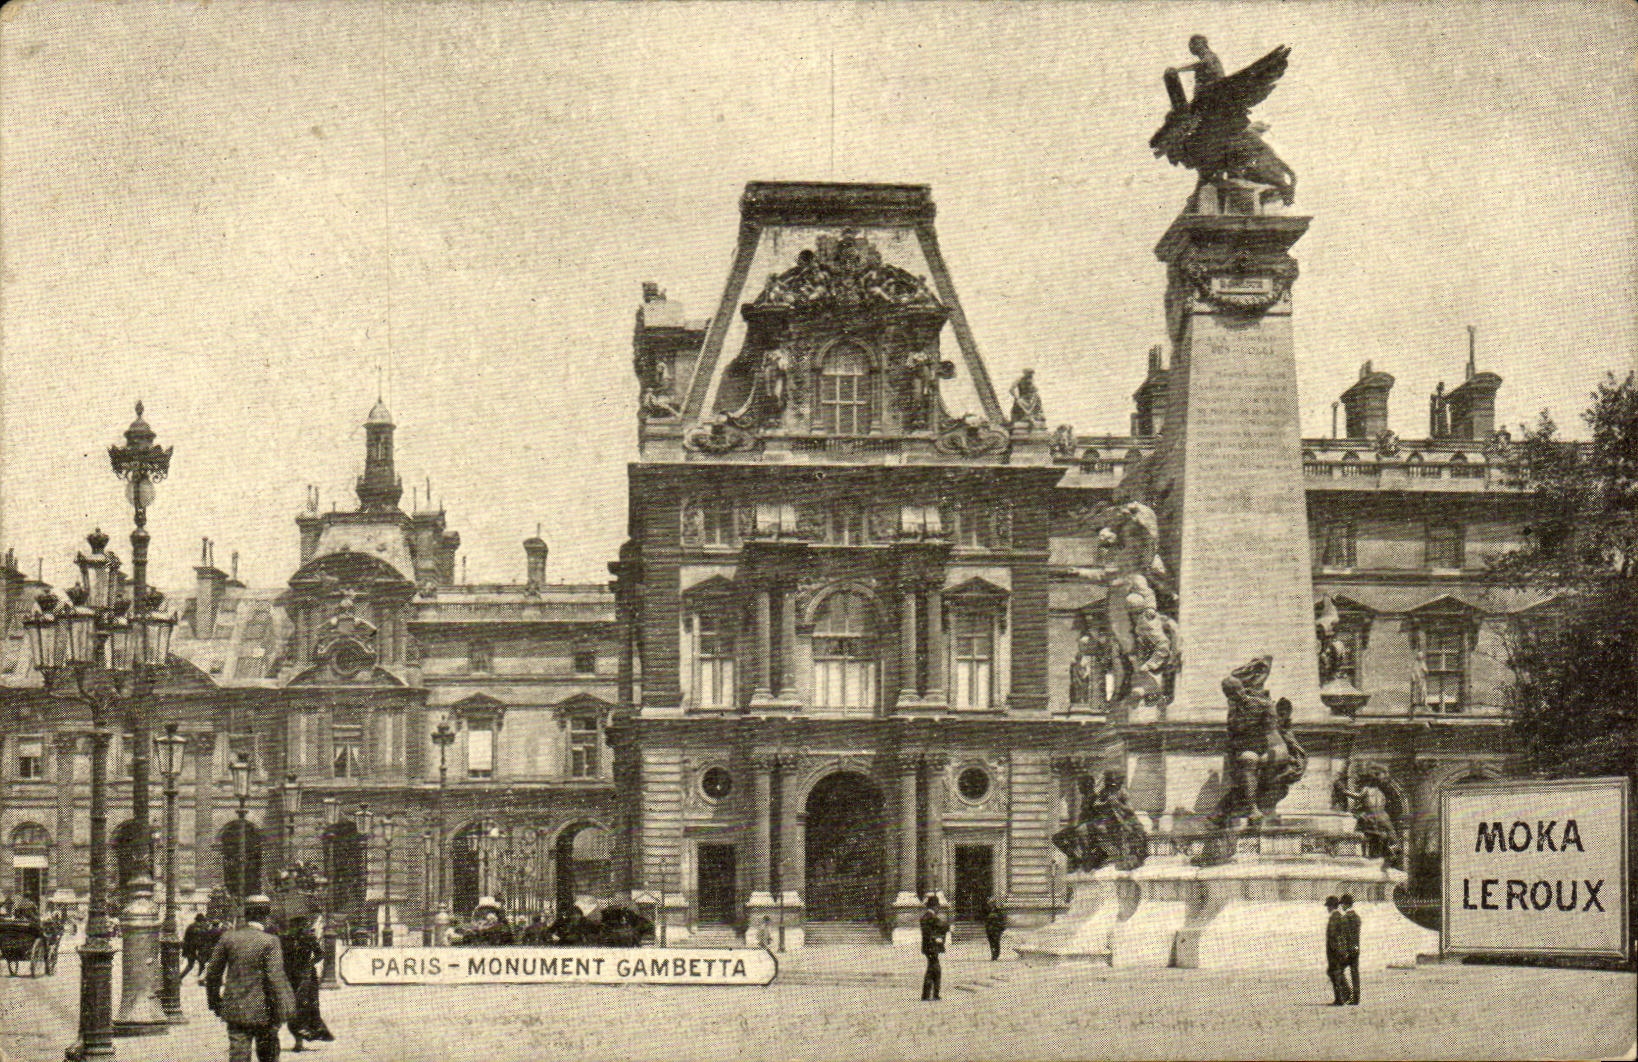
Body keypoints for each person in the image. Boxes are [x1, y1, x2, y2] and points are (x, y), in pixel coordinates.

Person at [204, 896, 297, 1062]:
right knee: (268, 1055)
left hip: (236, 1008)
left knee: (238, 1055)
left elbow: (212, 973)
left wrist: (214, 1001)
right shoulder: (270, 941)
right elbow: (274, 977)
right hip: (266, 1010)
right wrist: (283, 1008)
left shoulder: (228, 938)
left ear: (246, 914)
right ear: (266, 915)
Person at [280, 914, 333, 1052]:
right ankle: (300, 1041)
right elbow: (320, 954)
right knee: (304, 1006)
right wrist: (310, 963)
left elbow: (319, 954)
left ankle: (299, 1041)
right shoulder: (305, 937)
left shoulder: (286, 938)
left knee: (297, 1006)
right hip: (303, 975)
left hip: (295, 975)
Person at [919, 895, 950, 1001]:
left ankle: (930, 994)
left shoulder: (926, 917)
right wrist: (948, 926)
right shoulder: (931, 917)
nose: (938, 909)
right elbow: (942, 926)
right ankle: (931, 994)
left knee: (933, 969)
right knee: (934, 970)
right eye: (938, 907)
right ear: (934, 906)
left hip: (928, 947)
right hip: (932, 947)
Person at [1324, 896, 1349, 1005]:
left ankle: (1340, 999)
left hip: (1335, 951)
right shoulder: (1340, 916)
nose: (1327, 908)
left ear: (1332, 906)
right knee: (1337, 972)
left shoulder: (1334, 917)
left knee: (1334, 973)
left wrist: (1334, 951)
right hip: (1340, 949)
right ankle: (1346, 994)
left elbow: (1333, 935)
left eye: (1328, 906)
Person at [1338, 894, 1362, 1004]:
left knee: (1338, 970)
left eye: (1342, 904)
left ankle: (1347, 994)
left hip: (1347, 950)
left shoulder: (1344, 919)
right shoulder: (1357, 918)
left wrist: (1343, 951)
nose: (1341, 906)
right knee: (1354, 972)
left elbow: (1343, 937)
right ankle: (1356, 997)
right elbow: (1355, 935)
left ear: (1345, 904)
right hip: (1356, 948)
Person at [182, 912, 213, 980]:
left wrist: (185, 951)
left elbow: (186, 939)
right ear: (202, 920)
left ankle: (180, 978)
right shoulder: (203, 928)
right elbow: (207, 938)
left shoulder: (190, 926)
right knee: (201, 964)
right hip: (197, 949)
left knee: (191, 965)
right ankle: (200, 979)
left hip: (190, 949)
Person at [982, 897, 1008, 961]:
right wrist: (986, 926)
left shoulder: (998, 911)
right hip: (989, 929)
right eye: (989, 903)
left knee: (996, 942)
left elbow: (1002, 920)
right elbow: (985, 919)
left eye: (991, 903)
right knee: (991, 942)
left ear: (994, 903)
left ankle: (996, 955)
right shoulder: (987, 911)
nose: (990, 905)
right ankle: (993, 955)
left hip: (996, 929)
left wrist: (1002, 928)